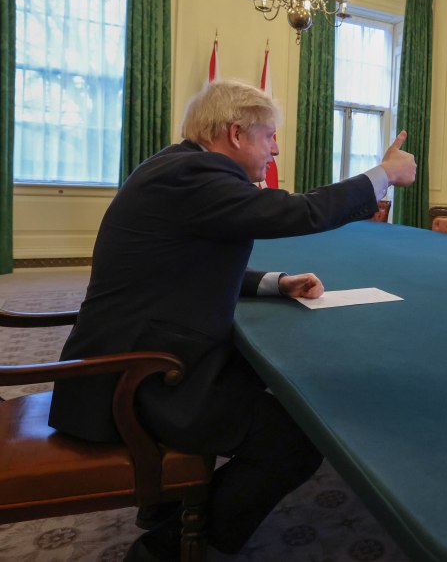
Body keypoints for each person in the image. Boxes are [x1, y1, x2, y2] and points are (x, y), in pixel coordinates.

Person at [47, 79, 416, 561]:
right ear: (237, 134)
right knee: (296, 438)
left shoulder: (177, 166)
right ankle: (164, 549)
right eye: (269, 137)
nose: (276, 148)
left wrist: (274, 283)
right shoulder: (193, 176)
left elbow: (187, 261)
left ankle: (164, 505)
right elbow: (298, 212)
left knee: (271, 381)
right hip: (137, 375)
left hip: (139, 351)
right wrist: (383, 174)